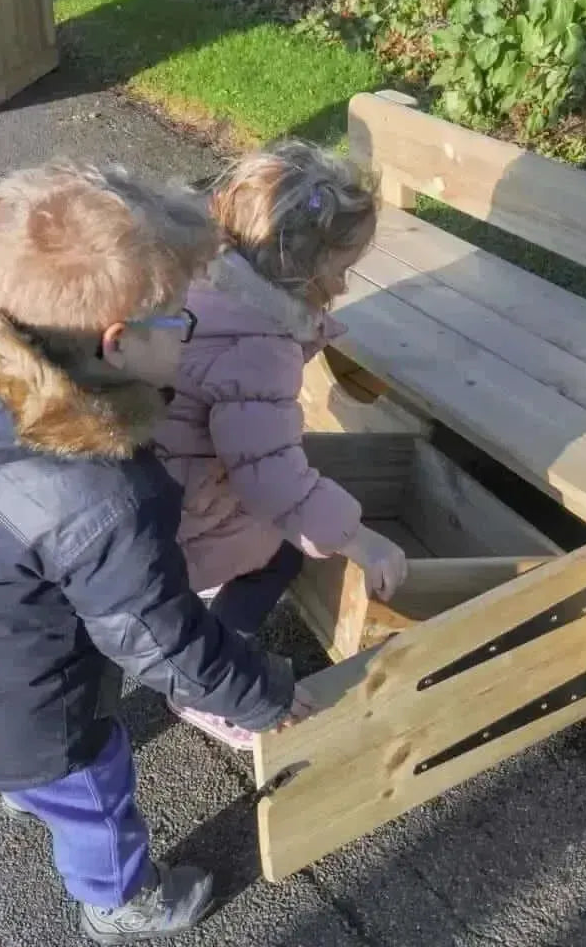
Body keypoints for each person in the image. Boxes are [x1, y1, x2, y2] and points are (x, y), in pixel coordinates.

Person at [0, 161, 311, 944]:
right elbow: (158, 638)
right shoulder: (101, 496)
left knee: (27, 759)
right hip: (36, 707)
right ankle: (118, 900)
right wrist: (262, 693)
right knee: (93, 791)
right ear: (117, 344)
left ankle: (19, 782)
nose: (191, 330)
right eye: (178, 319)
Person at [154, 140, 407, 750]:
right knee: (284, 553)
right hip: (181, 515)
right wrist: (360, 540)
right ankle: (214, 678)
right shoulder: (259, 347)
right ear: (302, 271)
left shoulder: (201, 284)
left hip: (158, 479)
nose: (345, 285)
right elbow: (274, 484)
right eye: (342, 269)